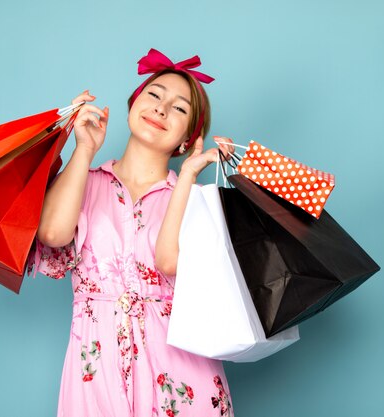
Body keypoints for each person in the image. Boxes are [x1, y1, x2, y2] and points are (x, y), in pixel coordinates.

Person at [28, 49, 236, 417]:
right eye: (154, 95)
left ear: (188, 139)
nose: (161, 108)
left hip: (180, 374)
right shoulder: (84, 181)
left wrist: (188, 178)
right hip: (96, 367)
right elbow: (53, 233)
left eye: (180, 108)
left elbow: (169, 263)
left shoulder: (195, 201)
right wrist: (84, 149)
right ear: (133, 104)